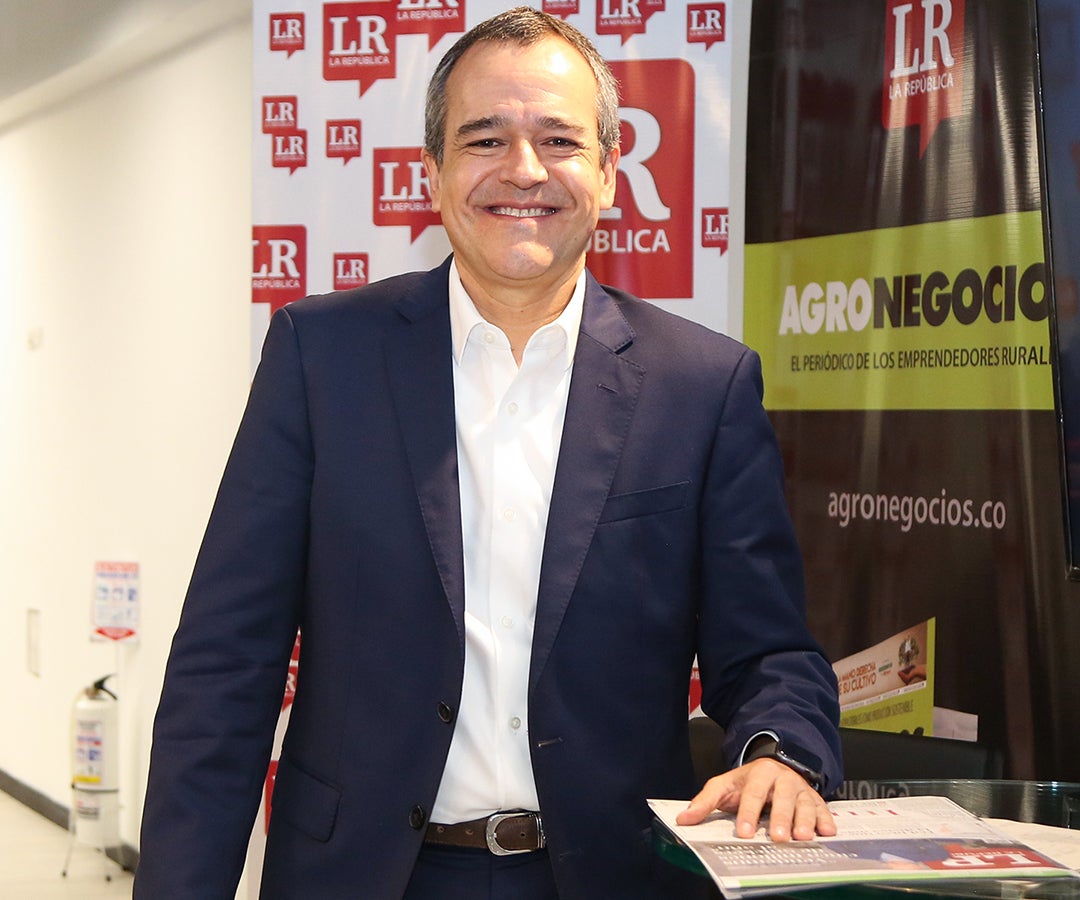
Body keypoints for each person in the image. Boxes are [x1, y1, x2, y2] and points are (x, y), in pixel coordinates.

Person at [134, 7, 842, 899]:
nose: (524, 170)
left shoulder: (703, 386)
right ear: (432, 174)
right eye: (484, 139)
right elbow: (226, 664)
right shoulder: (321, 359)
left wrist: (781, 750)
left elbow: (769, 652)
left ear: (609, 172)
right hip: (362, 877)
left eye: (559, 139)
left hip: (614, 875)